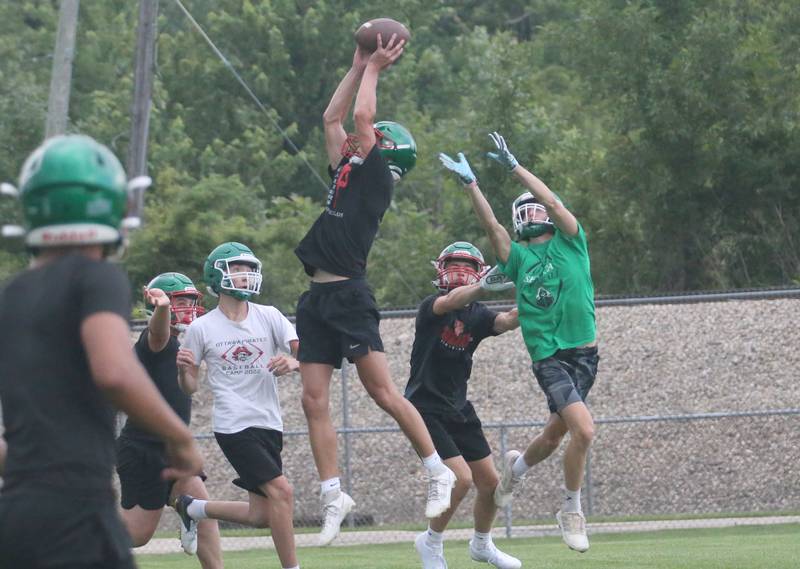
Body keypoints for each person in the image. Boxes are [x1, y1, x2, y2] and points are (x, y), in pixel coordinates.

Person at [0, 134, 203, 568]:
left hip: (15, 514)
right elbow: (113, 371)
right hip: (76, 511)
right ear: (111, 206)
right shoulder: (95, 277)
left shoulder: (12, 296)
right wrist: (180, 438)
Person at [294, 34, 456, 546]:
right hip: (316, 298)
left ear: (387, 152)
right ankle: (333, 494)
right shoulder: (347, 171)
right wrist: (356, 63)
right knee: (312, 399)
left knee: (381, 392)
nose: (358, 142)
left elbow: (362, 121)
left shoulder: (379, 177)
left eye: (372, 140)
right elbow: (332, 121)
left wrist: (377, 70)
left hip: (349, 296)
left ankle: (437, 471)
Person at [439, 132, 599, 553]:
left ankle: (516, 470)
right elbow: (491, 226)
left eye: (536, 207)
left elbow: (556, 203)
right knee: (584, 430)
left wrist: (515, 168)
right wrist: (473, 185)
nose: (534, 213)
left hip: (585, 353)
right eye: (524, 210)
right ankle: (571, 509)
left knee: (552, 437)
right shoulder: (519, 259)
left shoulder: (572, 243)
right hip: (549, 358)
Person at [174, 242, 301, 569]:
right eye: (237, 269)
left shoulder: (269, 315)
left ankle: (192, 508)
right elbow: (189, 387)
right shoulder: (202, 327)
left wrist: (293, 362)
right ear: (217, 276)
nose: (245, 276)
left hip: (269, 422)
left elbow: (304, 353)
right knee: (282, 492)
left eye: (248, 269)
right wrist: (185, 370)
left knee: (261, 515)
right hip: (234, 424)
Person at [407, 241, 522, 569]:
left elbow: (508, 320)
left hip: (459, 407)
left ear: (480, 271)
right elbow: (454, 301)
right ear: (440, 270)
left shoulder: (478, 315)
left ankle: (482, 545)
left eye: (467, 266)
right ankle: (430, 542)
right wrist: (481, 286)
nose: (459, 272)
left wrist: (540, 295)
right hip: (424, 409)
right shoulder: (432, 306)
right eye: (453, 264)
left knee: (490, 484)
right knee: (460, 477)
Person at [116, 272, 223, 566]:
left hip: (173, 452)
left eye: (191, 300)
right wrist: (162, 307)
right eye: (180, 301)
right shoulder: (156, 342)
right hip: (143, 450)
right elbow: (158, 332)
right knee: (137, 534)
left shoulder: (182, 344)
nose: (188, 307)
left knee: (203, 509)